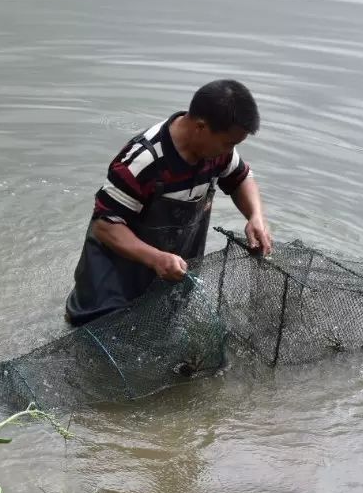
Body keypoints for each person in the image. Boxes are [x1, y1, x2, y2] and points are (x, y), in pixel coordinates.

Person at [64, 79, 273, 326]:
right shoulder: (143, 162)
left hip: (166, 278)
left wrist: (255, 216)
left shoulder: (218, 154)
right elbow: (105, 226)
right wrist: (155, 258)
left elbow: (240, 178)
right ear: (201, 127)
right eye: (229, 143)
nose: (231, 150)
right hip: (110, 288)